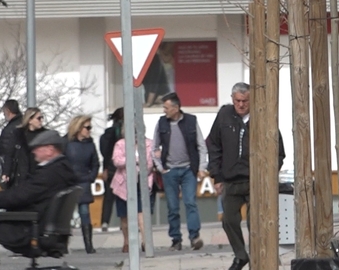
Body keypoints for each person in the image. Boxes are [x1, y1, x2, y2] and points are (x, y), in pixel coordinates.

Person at [207, 82, 286, 270]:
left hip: (255, 181)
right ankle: (241, 255)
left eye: (245, 101)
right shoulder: (224, 115)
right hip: (230, 180)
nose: (241, 105)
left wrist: (269, 175)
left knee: (256, 223)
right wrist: (216, 176)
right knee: (229, 220)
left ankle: (261, 259)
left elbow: (278, 151)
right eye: (237, 101)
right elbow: (214, 145)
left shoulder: (262, 117)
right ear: (232, 100)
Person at [0, 130, 77, 270]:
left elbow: (17, 196)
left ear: (50, 150)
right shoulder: (63, 171)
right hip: (48, 230)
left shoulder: (48, 175)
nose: (33, 152)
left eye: (37, 148)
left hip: (32, 230)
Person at [152, 92, 208, 251]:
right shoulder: (161, 123)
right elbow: (154, 147)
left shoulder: (191, 121)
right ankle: (176, 240)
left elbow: (201, 146)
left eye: (166, 107)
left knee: (190, 202)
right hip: (170, 171)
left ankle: (194, 237)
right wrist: (160, 167)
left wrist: (202, 168)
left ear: (176, 108)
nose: (164, 110)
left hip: (188, 170)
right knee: (172, 207)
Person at [112, 125, 155, 253]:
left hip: (142, 182)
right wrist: (135, 160)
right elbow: (117, 161)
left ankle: (145, 242)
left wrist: (133, 162)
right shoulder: (120, 144)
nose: (136, 135)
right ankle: (127, 242)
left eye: (138, 132)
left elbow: (149, 164)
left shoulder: (149, 144)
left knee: (142, 214)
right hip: (123, 184)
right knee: (124, 216)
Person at [65, 115, 100, 254]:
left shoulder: (90, 145)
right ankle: (64, 245)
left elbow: (95, 163)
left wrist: (90, 177)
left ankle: (89, 245)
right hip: (68, 183)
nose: (89, 130)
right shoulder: (66, 143)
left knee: (85, 212)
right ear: (79, 128)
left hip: (84, 182)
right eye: (87, 127)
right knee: (65, 214)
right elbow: (61, 162)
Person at [99, 108, 123, 232]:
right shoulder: (121, 133)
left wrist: (105, 168)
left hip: (111, 167)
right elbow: (107, 152)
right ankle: (123, 221)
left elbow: (105, 154)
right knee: (123, 196)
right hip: (119, 167)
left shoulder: (107, 133)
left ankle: (105, 222)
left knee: (108, 197)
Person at [0, 99, 22, 188]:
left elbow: (6, 152)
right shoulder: (22, 124)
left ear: (8, 110)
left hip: (14, 173)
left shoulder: (10, 129)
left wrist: (5, 172)